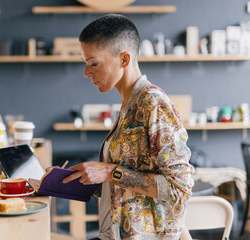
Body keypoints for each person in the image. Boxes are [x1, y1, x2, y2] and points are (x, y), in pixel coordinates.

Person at [62, 14, 195, 240]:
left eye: (93, 63)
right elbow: (122, 184)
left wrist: (108, 171)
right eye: (85, 64)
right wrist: (62, 181)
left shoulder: (152, 103)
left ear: (124, 59)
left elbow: (178, 188)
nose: (86, 73)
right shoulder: (129, 104)